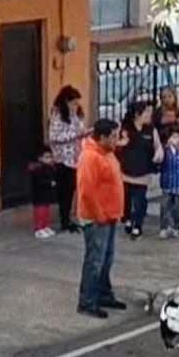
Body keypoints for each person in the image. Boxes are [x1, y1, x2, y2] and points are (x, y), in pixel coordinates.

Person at [76, 119, 126, 318]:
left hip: (109, 216)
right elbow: (87, 191)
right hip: (98, 219)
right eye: (113, 136)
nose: (117, 139)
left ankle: (104, 294)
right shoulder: (90, 157)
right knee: (95, 261)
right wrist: (100, 215)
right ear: (102, 137)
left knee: (106, 259)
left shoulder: (107, 153)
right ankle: (87, 301)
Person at [48, 86, 88, 233]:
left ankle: (69, 218)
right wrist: (76, 136)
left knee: (71, 190)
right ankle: (64, 220)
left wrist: (83, 134)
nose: (76, 106)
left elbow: (79, 129)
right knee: (64, 191)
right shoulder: (58, 115)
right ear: (66, 101)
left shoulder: (75, 115)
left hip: (75, 158)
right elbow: (54, 137)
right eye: (73, 103)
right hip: (63, 159)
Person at [118, 102, 160, 239]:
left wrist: (159, 155)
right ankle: (128, 219)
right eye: (146, 112)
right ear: (137, 115)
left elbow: (157, 146)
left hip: (143, 171)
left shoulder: (151, 130)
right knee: (127, 199)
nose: (149, 115)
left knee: (140, 200)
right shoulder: (126, 129)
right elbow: (118, 144)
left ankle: (138, 225)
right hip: (126, 171)